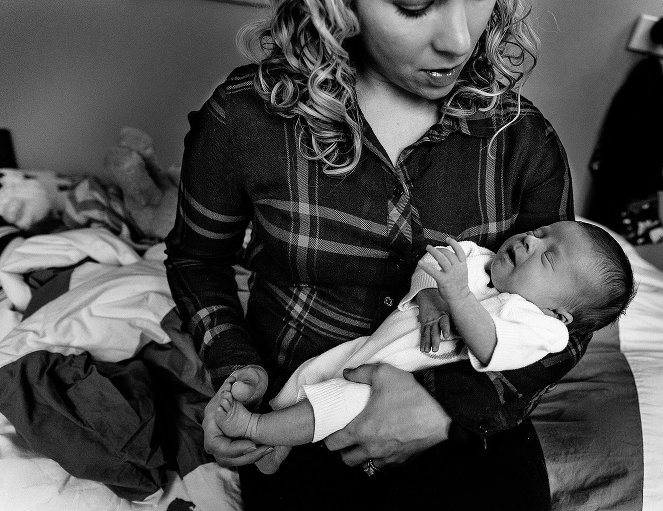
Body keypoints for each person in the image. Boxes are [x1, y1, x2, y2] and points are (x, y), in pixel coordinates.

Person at [165, 0, 586, 509]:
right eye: (414, 4)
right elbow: (197, 261)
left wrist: (446, 410)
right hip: (299, 415)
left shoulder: (524, 142)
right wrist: (235, 365)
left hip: (473, 426)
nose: (456, 39)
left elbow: (572, 318)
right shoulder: (245, 119)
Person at [214, 221, 634, 464]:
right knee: (313, 372)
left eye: (547, 256)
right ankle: (274, 442)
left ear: (561, 312)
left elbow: (490, 344)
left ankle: (255, 429)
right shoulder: (478, 258)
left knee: (335, 402)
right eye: (541, 232)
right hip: (371, 345)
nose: (530, 241)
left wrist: (457, 295)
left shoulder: (542, 328)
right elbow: (429, 264)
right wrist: (432, 294)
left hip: (394, 381)